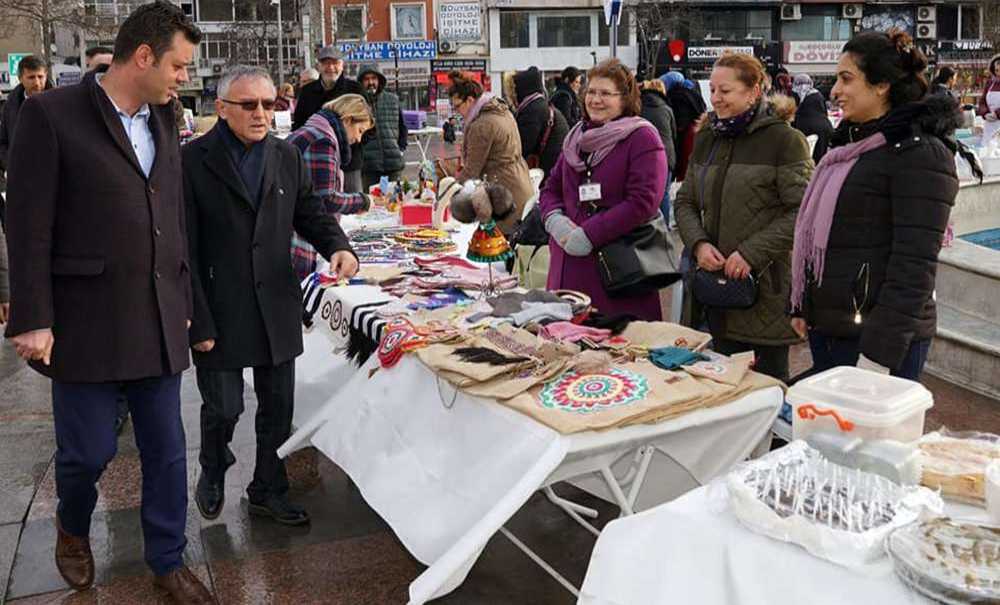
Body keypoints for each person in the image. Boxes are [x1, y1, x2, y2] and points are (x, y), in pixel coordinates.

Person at [3, 2, 213, 601]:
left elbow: (172, 217)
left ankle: (167, 561)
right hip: (87, 322)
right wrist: (32, 317)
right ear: (143, 56)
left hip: (159, 316)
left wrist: (187, 301)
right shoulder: (51, 115)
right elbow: (27, 225)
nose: (184, 78)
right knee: (87, 452)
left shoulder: (166, 116)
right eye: (178, 65)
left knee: (167, 451)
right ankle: (72, 524)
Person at [184, 66, 358, 529]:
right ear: (222, 109)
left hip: (276, 300)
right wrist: (196, 317)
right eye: (249, 105)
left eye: (269, 104)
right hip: (220, 304)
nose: (261, 113)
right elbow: (184, 249)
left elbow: (309, 211)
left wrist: (338, 247)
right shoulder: (192, 160)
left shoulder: (286, 155)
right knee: (224, 407)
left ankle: (268, 488)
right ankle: (214, 464)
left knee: (278, 407)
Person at [789, 31, 970, 381]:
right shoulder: (848, 146)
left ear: (882, 85)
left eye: (846, 79)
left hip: (877, 341)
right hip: (833, 328)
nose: (835, 91)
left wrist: (878, 356)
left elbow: (914, 267)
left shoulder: (919, 154)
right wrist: (802, 305)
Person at [674, 53, 814, 382]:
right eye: (712, 90)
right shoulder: (707, 137)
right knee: (714, 385)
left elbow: (803, 212)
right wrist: (698, 244)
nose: (716, 98)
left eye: (725, 90)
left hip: (764, 292)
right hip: (711, 290)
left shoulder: (784, 141)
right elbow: (685, 201)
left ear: (753, 92)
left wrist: (751, 253)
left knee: (765, 388)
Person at [539, 59, 667, 320]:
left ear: (625, 99)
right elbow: (551, 188)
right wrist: (554, 220)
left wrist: (589, 234)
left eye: (606, 93)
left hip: (616, 270)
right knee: (567, 338)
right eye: (592, 92)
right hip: (567, 262)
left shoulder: (642, 138)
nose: (596, 100)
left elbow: (643, 202)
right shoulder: (577, 137)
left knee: (612, 341)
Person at [286, 94, 373, 279]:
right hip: (296, 243)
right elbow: (325, 200)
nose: (358, 139)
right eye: (360, 130)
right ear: (348, 120)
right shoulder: (322, 140)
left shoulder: (315, 132)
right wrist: (363, 201)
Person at [446, 71, 533, 234]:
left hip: (503, 195)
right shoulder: (500, 111)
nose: (456, 112)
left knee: (498, 245)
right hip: (519, 184)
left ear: (470, 100)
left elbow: (471, 171)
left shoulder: (481, 126)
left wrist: (449, 196)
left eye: (457, 106)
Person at [292, 47, 364, 191]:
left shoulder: (355, 89)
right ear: (319, 66)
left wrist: (352, 144)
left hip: (349, 164)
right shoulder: (307, 92)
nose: (330, 68)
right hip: (317, 161)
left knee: (354, 202)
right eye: (326, 63)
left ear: (342, 65)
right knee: (321, 201)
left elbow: (369, 126)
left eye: (335, 63)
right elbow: (299, 126)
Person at [0, 55, 51, 228]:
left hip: (53, 180)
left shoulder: (61, 102)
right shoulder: (10, 106)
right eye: (31, 77)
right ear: (20, 78)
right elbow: (3, 142)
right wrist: (11, 164)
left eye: (40, 76)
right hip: (22, 182)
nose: (37, 82)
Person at [357, 63, 407, 190]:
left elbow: (402, 128)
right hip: (369, 167)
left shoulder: (393, 100)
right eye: (366, 79)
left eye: (373, 78)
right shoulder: (357, 103)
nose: (371, 82)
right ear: (361, 82)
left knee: (393, 198)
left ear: (379, 80)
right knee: (372, 199)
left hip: (393, 165)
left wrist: (400, 149)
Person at [512, 66, 569, 179]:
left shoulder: (532, 110)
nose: (513, 94)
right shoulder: (540, 104)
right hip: (555, 163)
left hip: (546, 167)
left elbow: (522, 146)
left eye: (515, 89)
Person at [661, 71, 706, 182]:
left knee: (684, 162)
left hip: (683, 134)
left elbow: (680, 119)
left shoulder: (675, 96)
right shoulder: (693, 93)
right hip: (696, 129)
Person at [791, 73, 834, 163]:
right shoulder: (817, 93)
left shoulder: (795, 94)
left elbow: (792, 114)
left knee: (807, 158)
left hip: (807, 129)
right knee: (821, 158)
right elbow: (824, 112)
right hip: (824, 127)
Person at [977, 55, 1000, 143]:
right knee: (988, 149)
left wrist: (997, 114)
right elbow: (982, 102)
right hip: (989, 125)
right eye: (996, 70)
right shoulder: (990, 83)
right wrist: (985, 113)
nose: (998, 73)